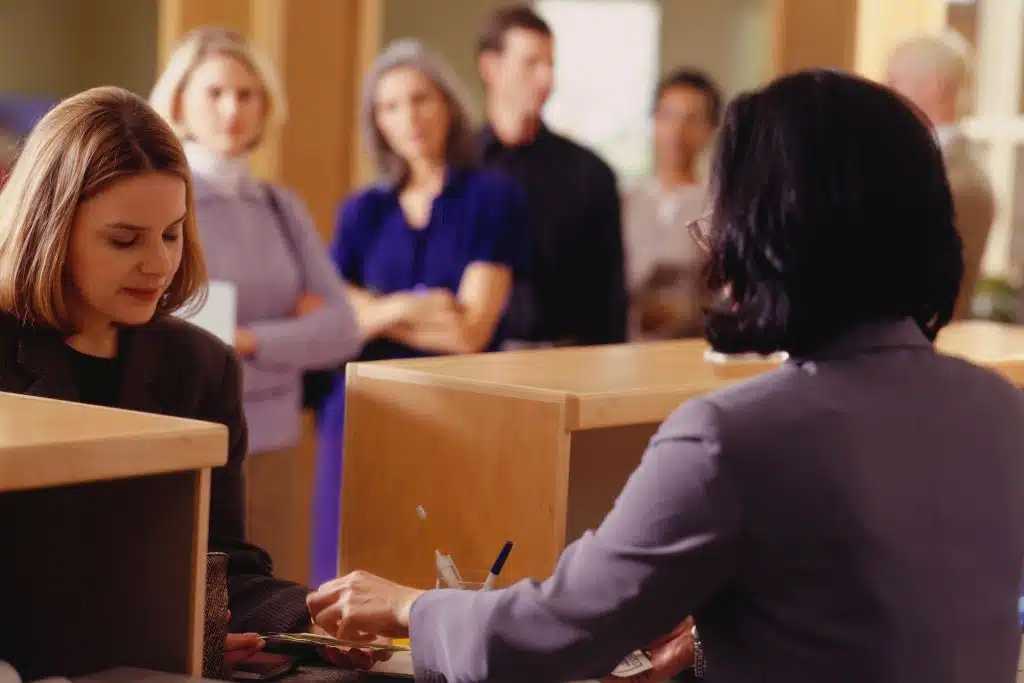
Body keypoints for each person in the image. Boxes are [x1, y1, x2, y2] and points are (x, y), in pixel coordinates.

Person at [306, 71, 1024, 683]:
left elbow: (559, 628)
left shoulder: (731, 437)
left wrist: (408, 604)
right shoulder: (1002, 409)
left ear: (766, 231)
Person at [0, 87, 382, 671]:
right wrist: (151, 634)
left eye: (173, 234)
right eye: (124, 240)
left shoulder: (201, 364)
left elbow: (224, 563)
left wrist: (309, 617)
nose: (158, 264)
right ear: (50, 226)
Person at [311, 39, 529, 586]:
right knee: (352, 565)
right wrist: (411, 304)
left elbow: (470, 332)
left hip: (456, 410)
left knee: (448, 570)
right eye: (389, 106)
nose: (407, 117)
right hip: (362, 408)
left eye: (420, 99)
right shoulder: (363, 209)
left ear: (449, 105)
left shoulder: (493, 196)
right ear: (375, 121)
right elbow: (330, 313)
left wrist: (372, 310)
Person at [150, 27, 362, 584]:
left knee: (272, 604)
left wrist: (248, 338)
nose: (232, 109)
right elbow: (163, 315)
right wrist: (292, 331)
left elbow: (342, 327)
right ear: (180, 102)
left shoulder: (280, 205)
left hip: (276, 436)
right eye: (216, 92)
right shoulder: (165, 199)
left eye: (247, 95)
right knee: (189, 603)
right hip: (188, 431)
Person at [476, 4, 627, 348]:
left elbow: (610, 298)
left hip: (563, 361)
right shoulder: (456, 169)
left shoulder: (590, 173)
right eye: (531, 64)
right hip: (470, 363)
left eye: (550, 65)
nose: (547, 80)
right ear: (491, 67)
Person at [886, 29, 995, 320]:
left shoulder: (960, 182)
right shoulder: (906, 161)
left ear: (933, 88)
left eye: (895, 81)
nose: (885, 93)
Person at [624, 69, 722, 340]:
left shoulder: (720, 208)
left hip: (689, 353)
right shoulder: (625, 201)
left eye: (691, 120)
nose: (676, 131)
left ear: (710, 130)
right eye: (666, 116)